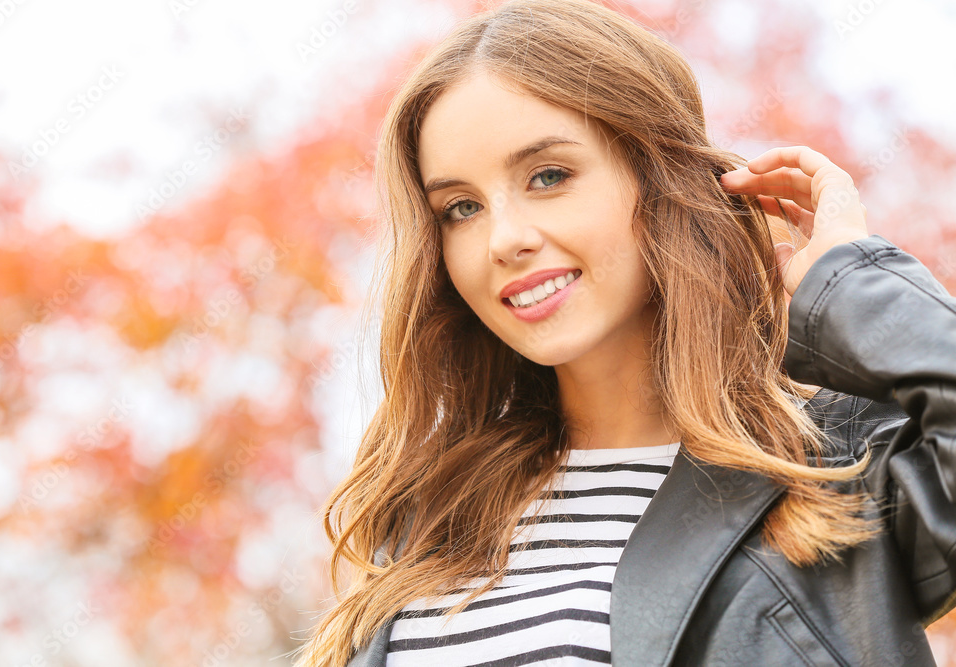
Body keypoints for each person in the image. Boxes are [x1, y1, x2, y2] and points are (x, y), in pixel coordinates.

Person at [291, 0, 956, 665]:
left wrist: (846, 273)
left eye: (548, 176)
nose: (503, 239)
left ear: (657, 178)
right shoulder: (429, 522)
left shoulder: (833, 468)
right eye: (461, 207)